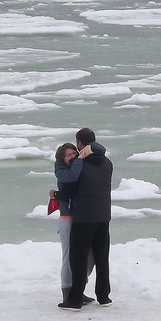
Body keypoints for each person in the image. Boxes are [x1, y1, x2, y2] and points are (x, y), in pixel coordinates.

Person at [60, 128, 114, 310]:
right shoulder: (107, 163)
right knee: (102, 258)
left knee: (79, 259)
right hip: (103, 216)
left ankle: (74, 300)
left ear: (81, 143)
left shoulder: (79, 164)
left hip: (83, 218)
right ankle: (104, 297)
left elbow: (70, 191)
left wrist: (56, 195)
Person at [50, 143, 95, 304]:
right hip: (67, 218)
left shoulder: (77, 166)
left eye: (73, 153)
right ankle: (67, 291)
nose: (72, 157)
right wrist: (80, 159)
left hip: (81, 217)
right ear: (61, 159)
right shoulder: (61, 170)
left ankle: (79, 288)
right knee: (69, 257)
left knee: (89, 256)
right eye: (67, 155)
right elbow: (71, 177)